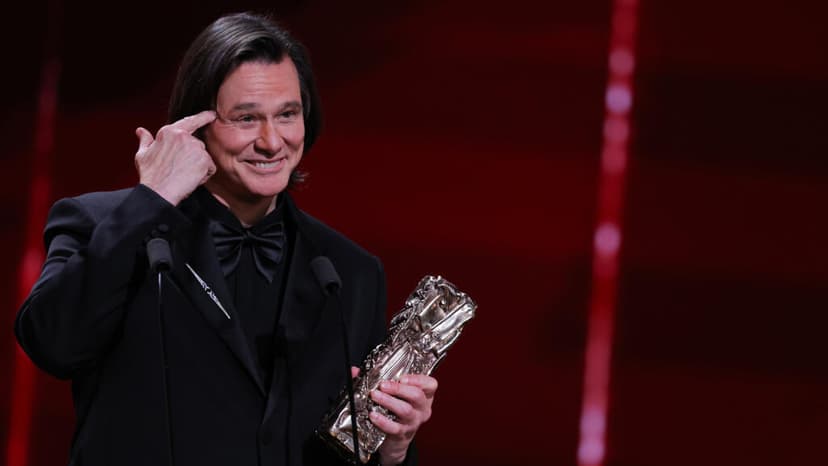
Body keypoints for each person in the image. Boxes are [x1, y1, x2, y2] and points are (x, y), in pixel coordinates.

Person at [15, 12, 436, 466]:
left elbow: (345, 448)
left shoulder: (350, 272)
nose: (272, 141)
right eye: (246, 118)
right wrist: (150, 201)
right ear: (196, 123)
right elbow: (52, 344)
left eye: (287, 115)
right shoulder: (102, 223)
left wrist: (393, 449)